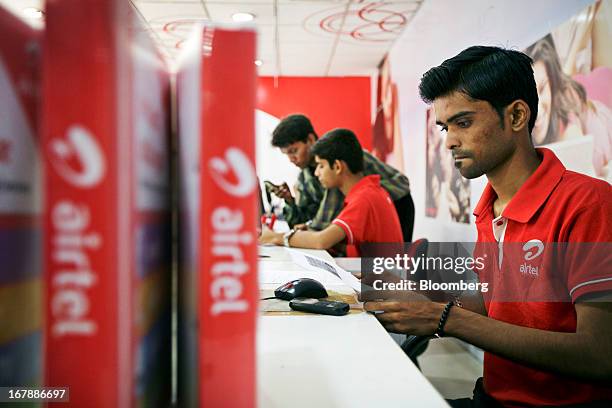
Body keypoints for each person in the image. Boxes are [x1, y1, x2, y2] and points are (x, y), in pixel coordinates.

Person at [364, 46, 612, 407]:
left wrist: (444, 318)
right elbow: (497, 304)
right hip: (492, 396)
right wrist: (418, 297)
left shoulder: (589, 204)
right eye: (444, 127)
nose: (449, 141)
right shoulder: (488, 208)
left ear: (515, 116)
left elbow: (600, 354)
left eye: (463, 123)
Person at [269, 114, 414, 245]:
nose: (291, 159)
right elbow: (311, 221)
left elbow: (321, 238)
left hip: (396, 208)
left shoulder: (346, 161)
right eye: (286, 154)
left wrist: (274, 237)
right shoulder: (304, 179)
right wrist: (293, 205)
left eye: (294, 151)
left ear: (310, 140)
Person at [526, 34, 612, 179]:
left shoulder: (569, 131)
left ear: (551, 83)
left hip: (603, 92)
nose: (538, 110)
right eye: (527, 96)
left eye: (542, 89)